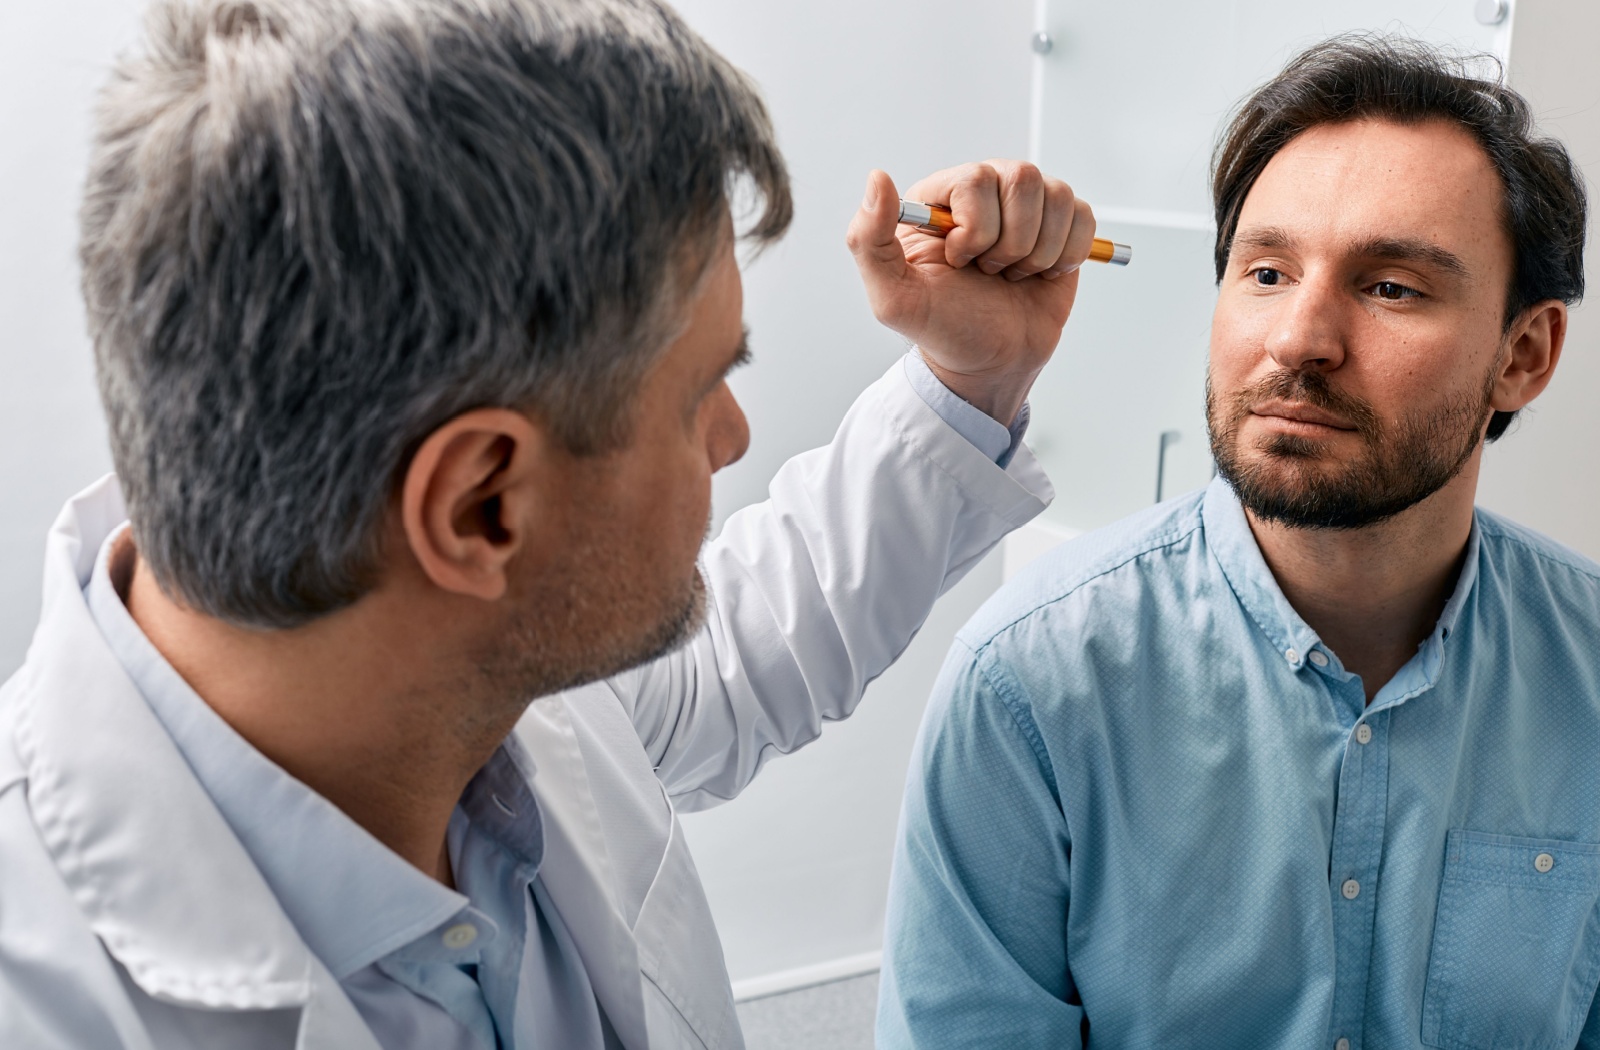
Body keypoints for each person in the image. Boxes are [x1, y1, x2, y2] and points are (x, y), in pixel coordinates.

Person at [0, 0, 1102, 1047]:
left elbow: (743, 650)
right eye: (699, 394)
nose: (730, 436)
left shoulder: (478, 678)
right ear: (481, 506)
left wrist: (973, 380)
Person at [878, 35, 1596, 1050]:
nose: (1298, 338)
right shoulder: (1030, 687)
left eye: (1389, 287)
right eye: (1265, 271)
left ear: (1522, 356)